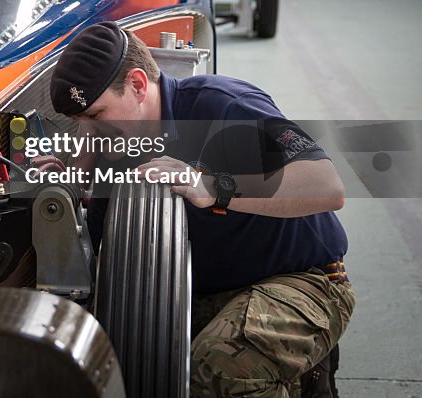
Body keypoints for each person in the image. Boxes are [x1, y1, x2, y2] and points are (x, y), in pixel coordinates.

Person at [49, 21, 355, 398]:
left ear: (139, 85)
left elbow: (327, 185)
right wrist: (71, 192)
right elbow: (101, 266)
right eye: (79, 123)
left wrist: (213, 186)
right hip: (206, 290)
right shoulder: (113, 149)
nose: (89, 132)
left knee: (222, 366)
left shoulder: (224, 105)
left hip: (302, 279)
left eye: (95, 116)